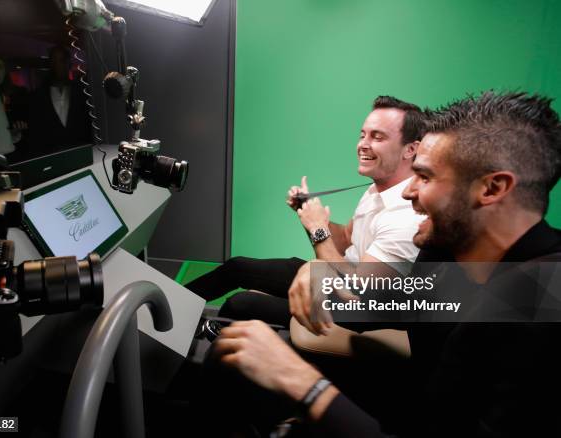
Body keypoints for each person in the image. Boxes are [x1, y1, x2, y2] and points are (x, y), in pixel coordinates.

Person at [213, 91, 561, 437]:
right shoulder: (448, 253)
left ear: (492, 188)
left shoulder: (537, 307)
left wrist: (306, 386)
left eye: (425, 178)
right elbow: (386, 307)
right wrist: (322, 279)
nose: (409, 193)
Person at [187, 96, 426, 326]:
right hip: (338, 276)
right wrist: (308, 213)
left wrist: (318, 228)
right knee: (236, 267)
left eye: (378, 137)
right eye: (363, 135)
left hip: (358, 309)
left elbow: (358, 291)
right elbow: (344, 239)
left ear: (410, 150)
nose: (363, 144)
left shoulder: (407, 214)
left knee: (242, 305)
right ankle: (166, 309)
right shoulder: (378, 189)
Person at [28, 45, 90, 154]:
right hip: (51, 156)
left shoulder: (82, 92)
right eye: (53, 61)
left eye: (61, 60)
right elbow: (37, 131)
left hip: (80, 152)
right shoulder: (39, 95)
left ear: (68, 63)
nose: (57, 65)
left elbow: (87, 125)